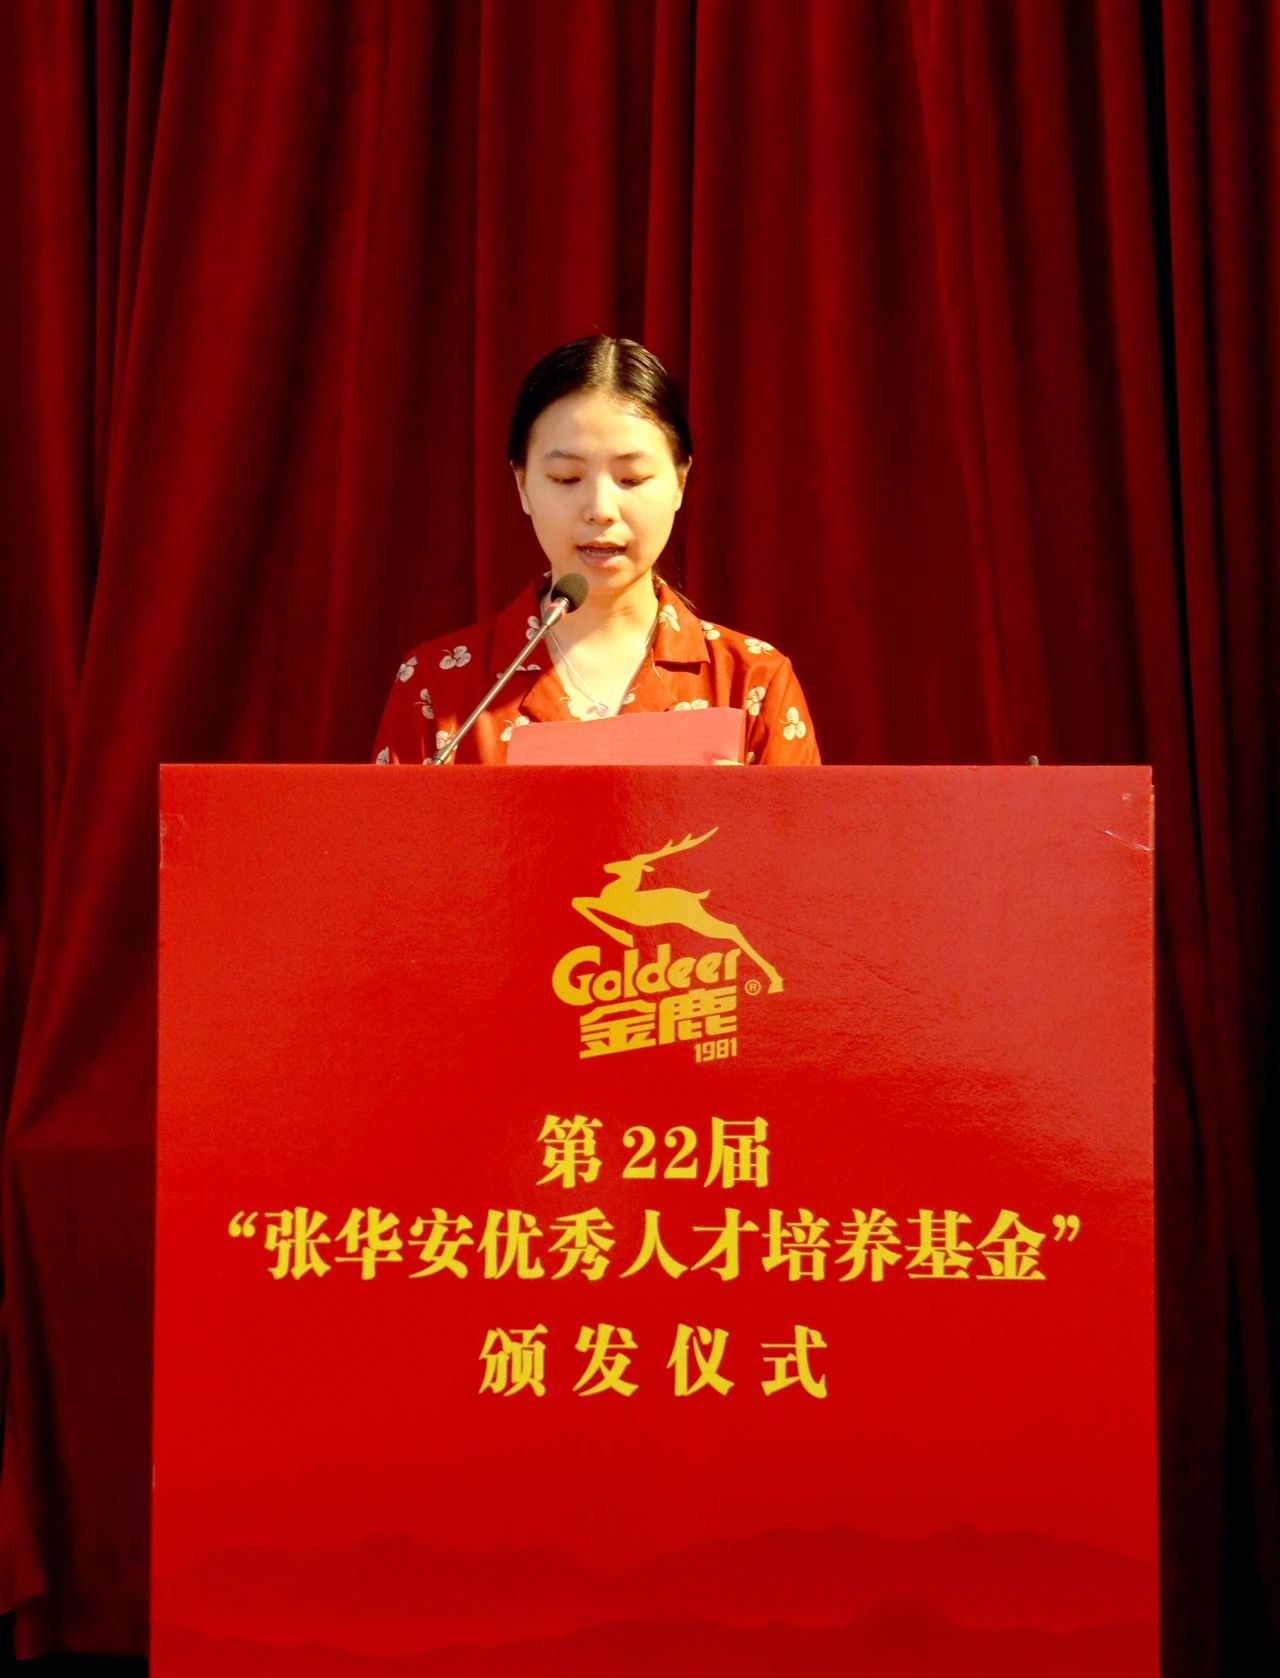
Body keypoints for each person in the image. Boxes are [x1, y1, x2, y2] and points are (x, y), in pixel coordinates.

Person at [372, 335, 820, 765]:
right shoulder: (437, 685)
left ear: (680, 483)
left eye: (632, 479)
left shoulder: (752, 682)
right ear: (523, 485)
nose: (600, 510)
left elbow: (797, 824)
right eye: (567, 479)